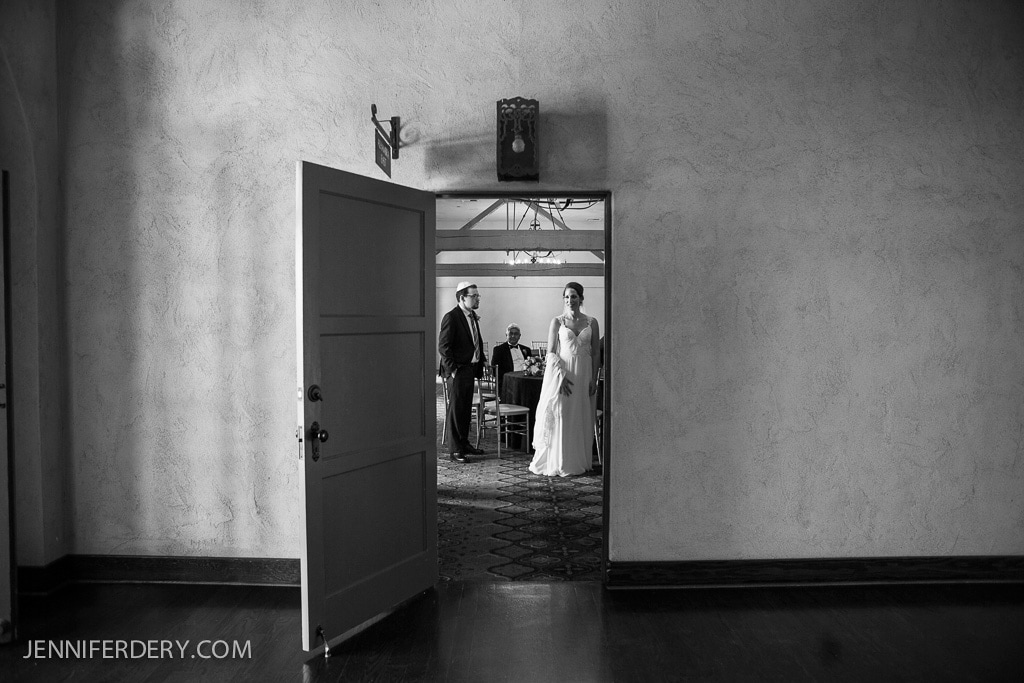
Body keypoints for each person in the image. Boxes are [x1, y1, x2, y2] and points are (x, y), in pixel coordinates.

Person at [529, 282, 601, 476]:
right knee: (563, 415)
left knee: (581, 416)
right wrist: (559, 378)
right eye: (567, 297)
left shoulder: (592, 322)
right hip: (564, 375)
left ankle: (580, 460)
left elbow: (595, 354)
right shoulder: (557, 322)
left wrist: (594, 379)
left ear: (581, 298)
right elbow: (551, 353)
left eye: (574, 296)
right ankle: (561, 461)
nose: (570, 300)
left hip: (585, 374)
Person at [438, 282, 487, 463]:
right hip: (458, 371)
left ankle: (464, 443)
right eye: (474, 296)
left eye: (477, 295)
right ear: (462, 298)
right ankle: (455, 450)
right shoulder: (451, 317)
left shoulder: (471, 316)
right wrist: (453, 371)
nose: (477, 298)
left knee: (465, 410)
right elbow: (443, 346)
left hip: (470, 369)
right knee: (456, 411)